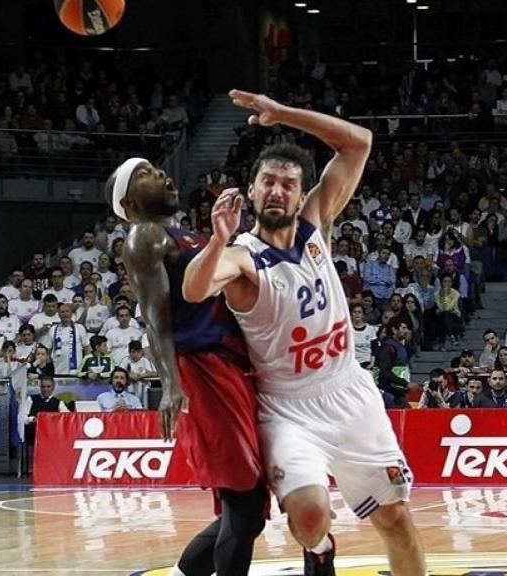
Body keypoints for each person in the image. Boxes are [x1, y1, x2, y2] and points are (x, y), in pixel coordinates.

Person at [183, 89, 426, 575]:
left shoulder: (318, 224)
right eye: (267, 182)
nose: (277, 190)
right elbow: (194, 289)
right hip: (288, 408)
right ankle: (318, 547)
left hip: (349, 391)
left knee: (395, 518)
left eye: (288, 184)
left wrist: (284, 115)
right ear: (251, 192)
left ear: (300, 194)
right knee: (312, 516)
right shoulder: (244, 257)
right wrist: (216, 240)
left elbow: (358, 143)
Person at [106, 154, 266, 576]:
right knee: (243, 500)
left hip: (234, 365)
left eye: (156, 168)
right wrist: (171, 385)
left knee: (249, 510)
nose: (159, 173)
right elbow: (155, 317)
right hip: (203, 368)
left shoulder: (192, 236)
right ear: (129, 205)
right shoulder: (144, 235)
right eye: (143, 175)